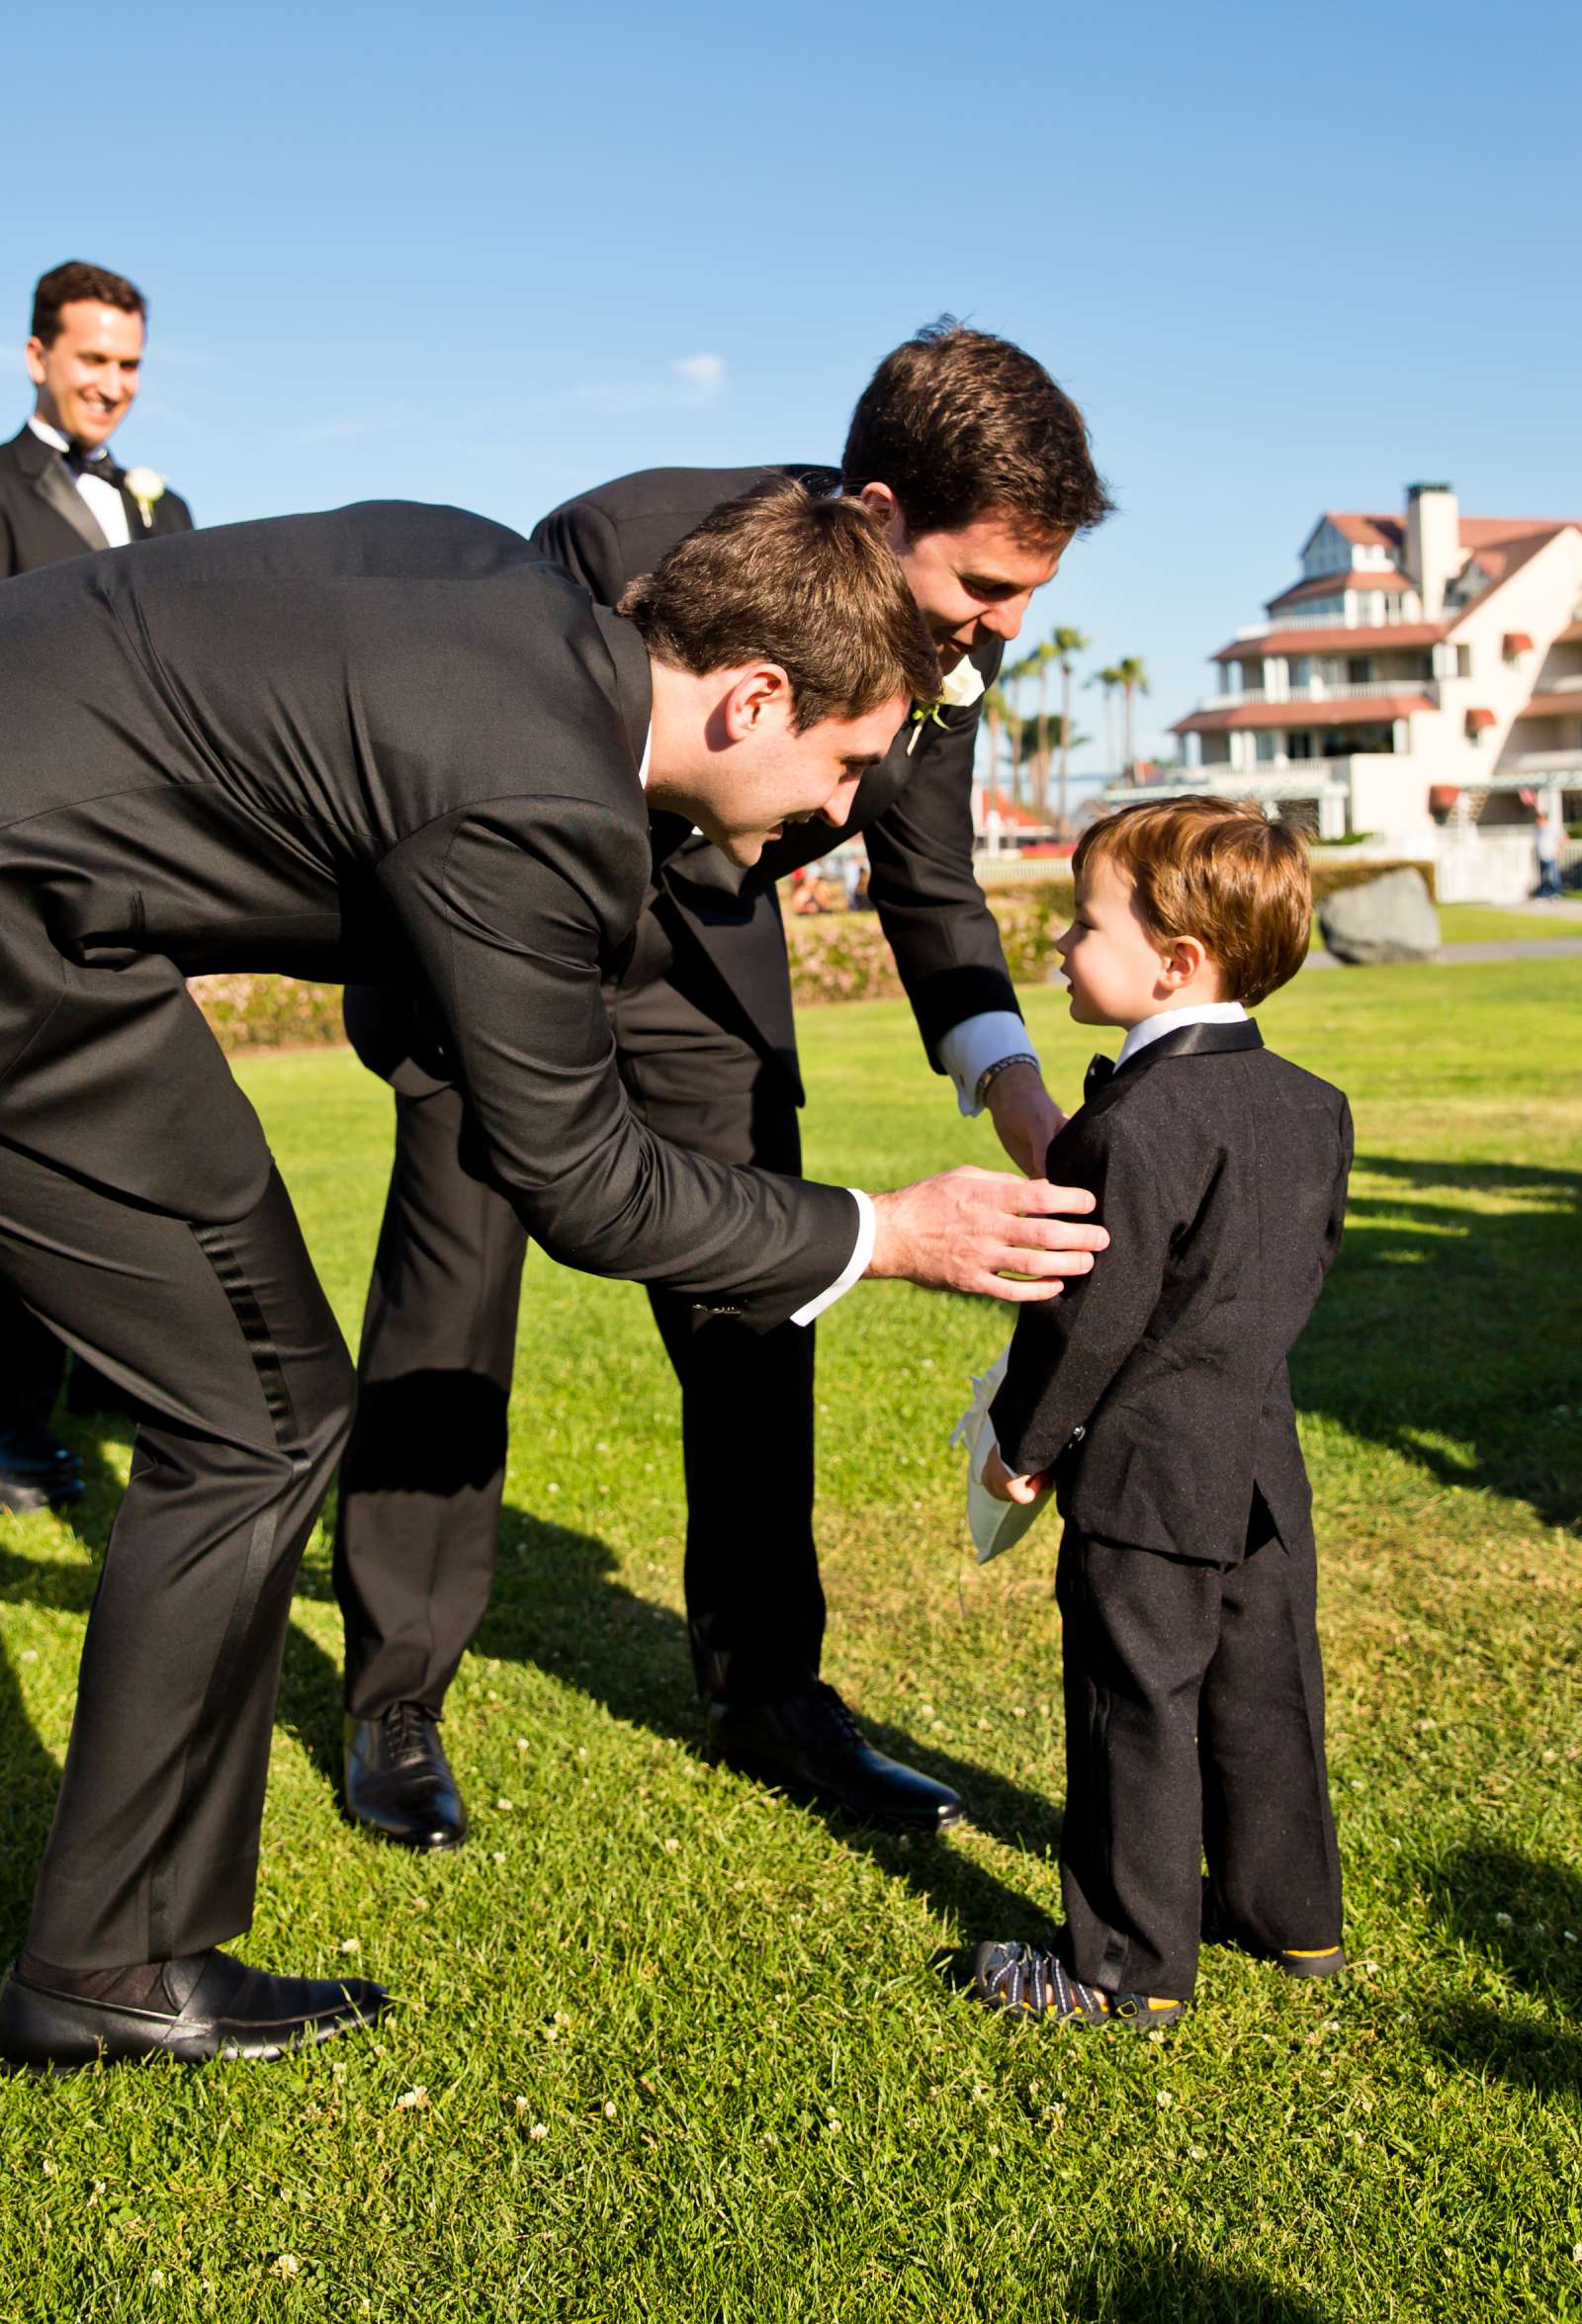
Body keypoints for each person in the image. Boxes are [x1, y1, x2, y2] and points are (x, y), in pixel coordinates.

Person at [0, 477, 1098, 2069]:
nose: (839, 815)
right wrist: (885, 1230)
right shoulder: (540, 800)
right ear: (755, 695)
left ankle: (117, 1949)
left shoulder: (485, 578)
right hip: (26, 928)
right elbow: (578, 1177)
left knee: (275, 1410)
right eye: (849, 764)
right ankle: (102, 1966)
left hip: (62, 921)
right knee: (252, 1422)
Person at [335, 322, 1113, 1854]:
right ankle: (394, 1698)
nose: (1005, 627)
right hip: (508, 940)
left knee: (767, 1298)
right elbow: (475, 774)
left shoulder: (967, 636)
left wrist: (1013, 1082)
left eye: (1030, 595)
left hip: (714, 966)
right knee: (452, 1295)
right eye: (985, 589)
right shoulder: (616, 542)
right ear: (881, 516)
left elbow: (930, 874)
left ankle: (771, 1689)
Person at [969, 797, 1352, 2032]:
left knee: (1135, 1703)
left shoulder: (1129, 1125)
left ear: (1176, 962)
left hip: (1141, 1476)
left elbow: (1086, 1319)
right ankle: (1291, 1915)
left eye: (1083, 926)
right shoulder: (1313, 1105)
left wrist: (1022, 1448)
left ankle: (1122, 1967)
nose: (1062, 951)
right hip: (1255, 1463)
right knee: (1265, 1685)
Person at [0, 260, 194, 1516]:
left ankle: (113, 1380)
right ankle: (12, 1426)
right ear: (34, 357)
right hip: (23, 865)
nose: (111, 388)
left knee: (145, 1139)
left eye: (129, 365)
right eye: (90, 361)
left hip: (149, 880)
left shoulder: (168, 515)